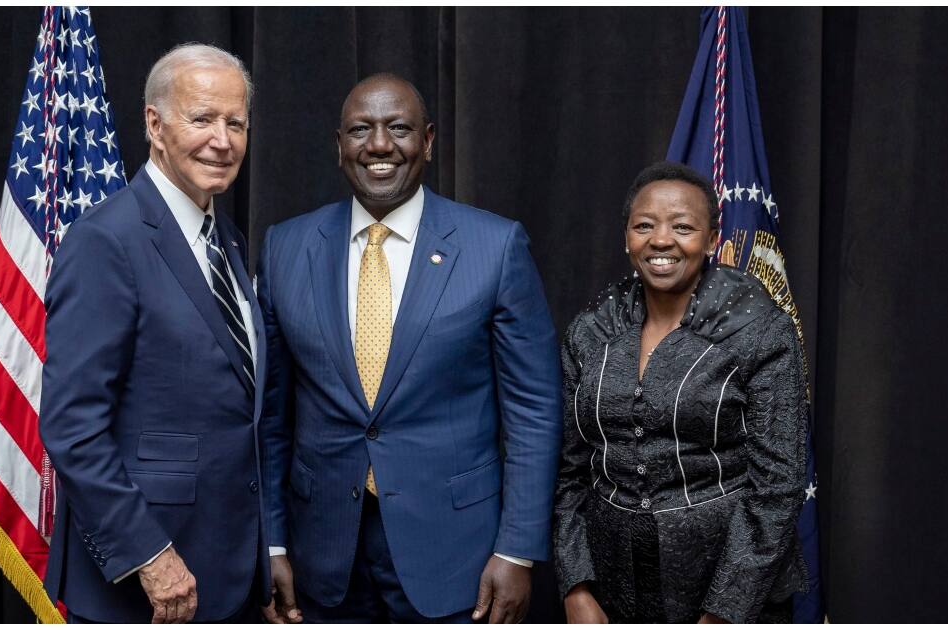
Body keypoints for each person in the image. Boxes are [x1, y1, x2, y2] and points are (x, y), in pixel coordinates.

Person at [256, 73, 562, 624]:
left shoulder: (494, 247)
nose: (378, 145)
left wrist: (517, 548)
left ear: (428, 141)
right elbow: (271, 417)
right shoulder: (285, 247)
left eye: (397, 128)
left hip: (457, 554)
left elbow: (534, 412)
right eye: (360, 130)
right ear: (339, 144)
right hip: (320, 557)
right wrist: (274, 542)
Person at [39, 43, 269, 623]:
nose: (223, 139)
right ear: (154, 124)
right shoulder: (105, 241)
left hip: (227, 568)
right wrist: (150, 555)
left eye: (236, 122)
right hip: (149, 581)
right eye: (202, 118)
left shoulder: (229, 242)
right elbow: (72, 427)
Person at [553, 162, 808, 624]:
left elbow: (778, 486)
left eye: (683, 227)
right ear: (626, 237)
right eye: (644, 226)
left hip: (730, 588)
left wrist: (725, 612)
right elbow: (569, 471)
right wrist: (576, 585)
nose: (661, 240)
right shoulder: (590, 332)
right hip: (612, 591)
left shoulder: (760, 331)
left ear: (712, 239)